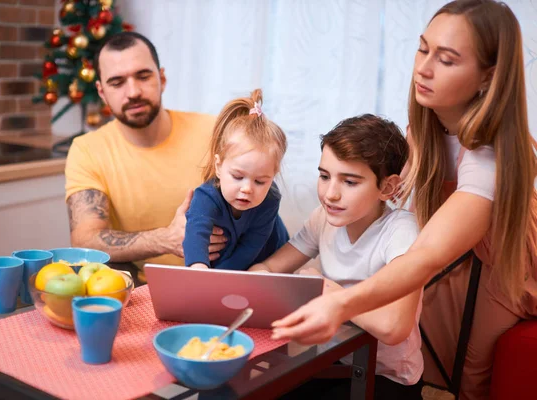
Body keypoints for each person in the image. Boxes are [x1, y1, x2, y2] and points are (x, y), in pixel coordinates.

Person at [271, 1, 537, 399]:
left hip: (500, 266)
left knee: (469, 375)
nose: (423, 68)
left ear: (489, 77)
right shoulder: (425, 127)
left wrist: (338, 300)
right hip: (450, 261)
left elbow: (426, 254)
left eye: (446, 59)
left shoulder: (491, 159)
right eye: (422, 48)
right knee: (426, 359)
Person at [251, 114, 423, 399]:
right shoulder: (323, 219)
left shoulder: (401, 231)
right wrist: (259, 278)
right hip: (334, 361)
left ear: (387, 187)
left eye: (350, 182)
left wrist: (330, 293)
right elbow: (270, 266)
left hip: (387, 378)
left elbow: (394, 327)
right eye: (324, 176)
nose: (330, 194)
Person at [65, 32, 226, 280]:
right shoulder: (87, 150)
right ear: (101, 91)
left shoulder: (214, 131)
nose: (133, 92)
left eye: (143, 76)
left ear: (161, 78)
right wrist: (165, 239)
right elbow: (85, 240)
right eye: (117, 82)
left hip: (222, 279)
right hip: (142, 294)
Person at [183, 89, 289, 270]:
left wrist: (221, 277)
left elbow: (251, 246)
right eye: (238, 177)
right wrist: (199, 268)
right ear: (218, 166)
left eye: (260, 181)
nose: (247, 188)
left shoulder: (270, 199)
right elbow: (196, 236)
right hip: (229, 262)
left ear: (273, 176)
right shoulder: (206, 197)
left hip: (267, 259)